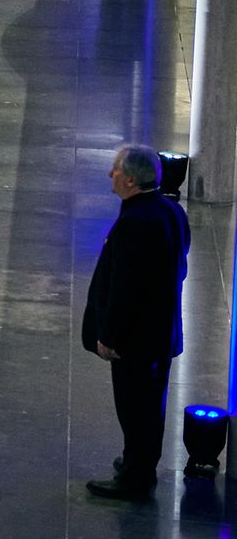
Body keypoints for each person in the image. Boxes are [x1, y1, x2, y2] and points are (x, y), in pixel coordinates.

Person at [82, 144, 190, 501]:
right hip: (160, 333)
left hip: (136, 339)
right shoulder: (170, 210)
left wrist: (110, 336)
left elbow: (124, 287)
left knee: (134, 408)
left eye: (114, 170)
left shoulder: (134, 223)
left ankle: (135, 476)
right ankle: (138, 463)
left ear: (129, 179)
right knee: (150, 406)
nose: (110, 174)